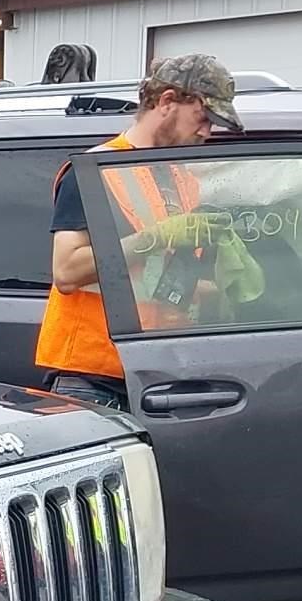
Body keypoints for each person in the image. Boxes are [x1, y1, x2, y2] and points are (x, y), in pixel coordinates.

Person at [37, 53, 242, 408]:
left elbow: (157, 279)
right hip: (92, 377)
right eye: (204, 117)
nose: (208, 131)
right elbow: (67, 272)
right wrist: (159, 235)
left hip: (156, 373)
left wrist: (223, 287)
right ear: (167, 101)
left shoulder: (183, 179)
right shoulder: (92, 170)